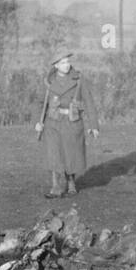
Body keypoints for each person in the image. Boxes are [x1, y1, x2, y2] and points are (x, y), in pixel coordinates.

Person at [34, 52, 99, 198]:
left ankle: (71, 182)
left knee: (71, 154)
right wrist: (37, 122)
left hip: (72, 122)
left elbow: (89, 102)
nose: (67, 65)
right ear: (56, 65)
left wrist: (93, 125)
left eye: (68, 62)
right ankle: (56, 187)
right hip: (52, 122)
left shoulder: (79, 79)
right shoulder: (48, 82)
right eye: (63, 63)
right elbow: (39, 103)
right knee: (54, 154)